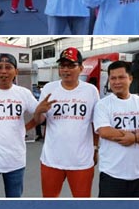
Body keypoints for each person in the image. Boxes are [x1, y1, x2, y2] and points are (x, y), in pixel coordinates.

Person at [32, 47, 99, 198]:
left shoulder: (90, 91)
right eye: (62, 66)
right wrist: (38, 111)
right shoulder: (49, 88)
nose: (65, 70)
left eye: (71, 66)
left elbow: (95, 123)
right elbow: (39, 120)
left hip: (81, 161)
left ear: (81, 68)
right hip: (51, 159)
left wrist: (95, 148)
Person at [0, 53, 39, 197]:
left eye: (8, 67)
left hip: (15, 160)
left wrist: (25, 128)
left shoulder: (24, 93)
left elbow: (39, 115)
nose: (4, 71)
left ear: (16, 72)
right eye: (0, 67)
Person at [93, 61, 139, 197]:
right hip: (112, 173)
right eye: (113, 78)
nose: (117, 81)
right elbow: (104, 131)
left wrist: (136, 138)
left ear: (130, 78)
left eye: (121, 77)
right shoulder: (103, 104)